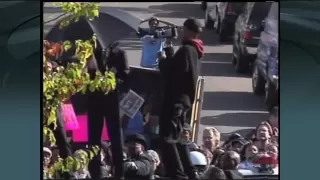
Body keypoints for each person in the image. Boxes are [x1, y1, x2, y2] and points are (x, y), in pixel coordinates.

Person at [157, 17, 204, 180]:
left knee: (167, 138)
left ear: (190, 31)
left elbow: (172, 74)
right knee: (178, 140)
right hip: (184, 102)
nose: (182, 33)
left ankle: (177, 174)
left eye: (184, 30)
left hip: (175, 101)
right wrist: (170, 54)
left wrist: (163, 60)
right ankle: (190, 173)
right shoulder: (194, 51)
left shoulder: (186, 51)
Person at [87, 41, 130, 179]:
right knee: (94, 137)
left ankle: (119, 173)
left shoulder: (119, 53)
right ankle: (96, 173)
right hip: (95, 99)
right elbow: (86, 75)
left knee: (116, 136)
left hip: (112, 99)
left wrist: (113, 83)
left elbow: (125, 75)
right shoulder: (91, 53)